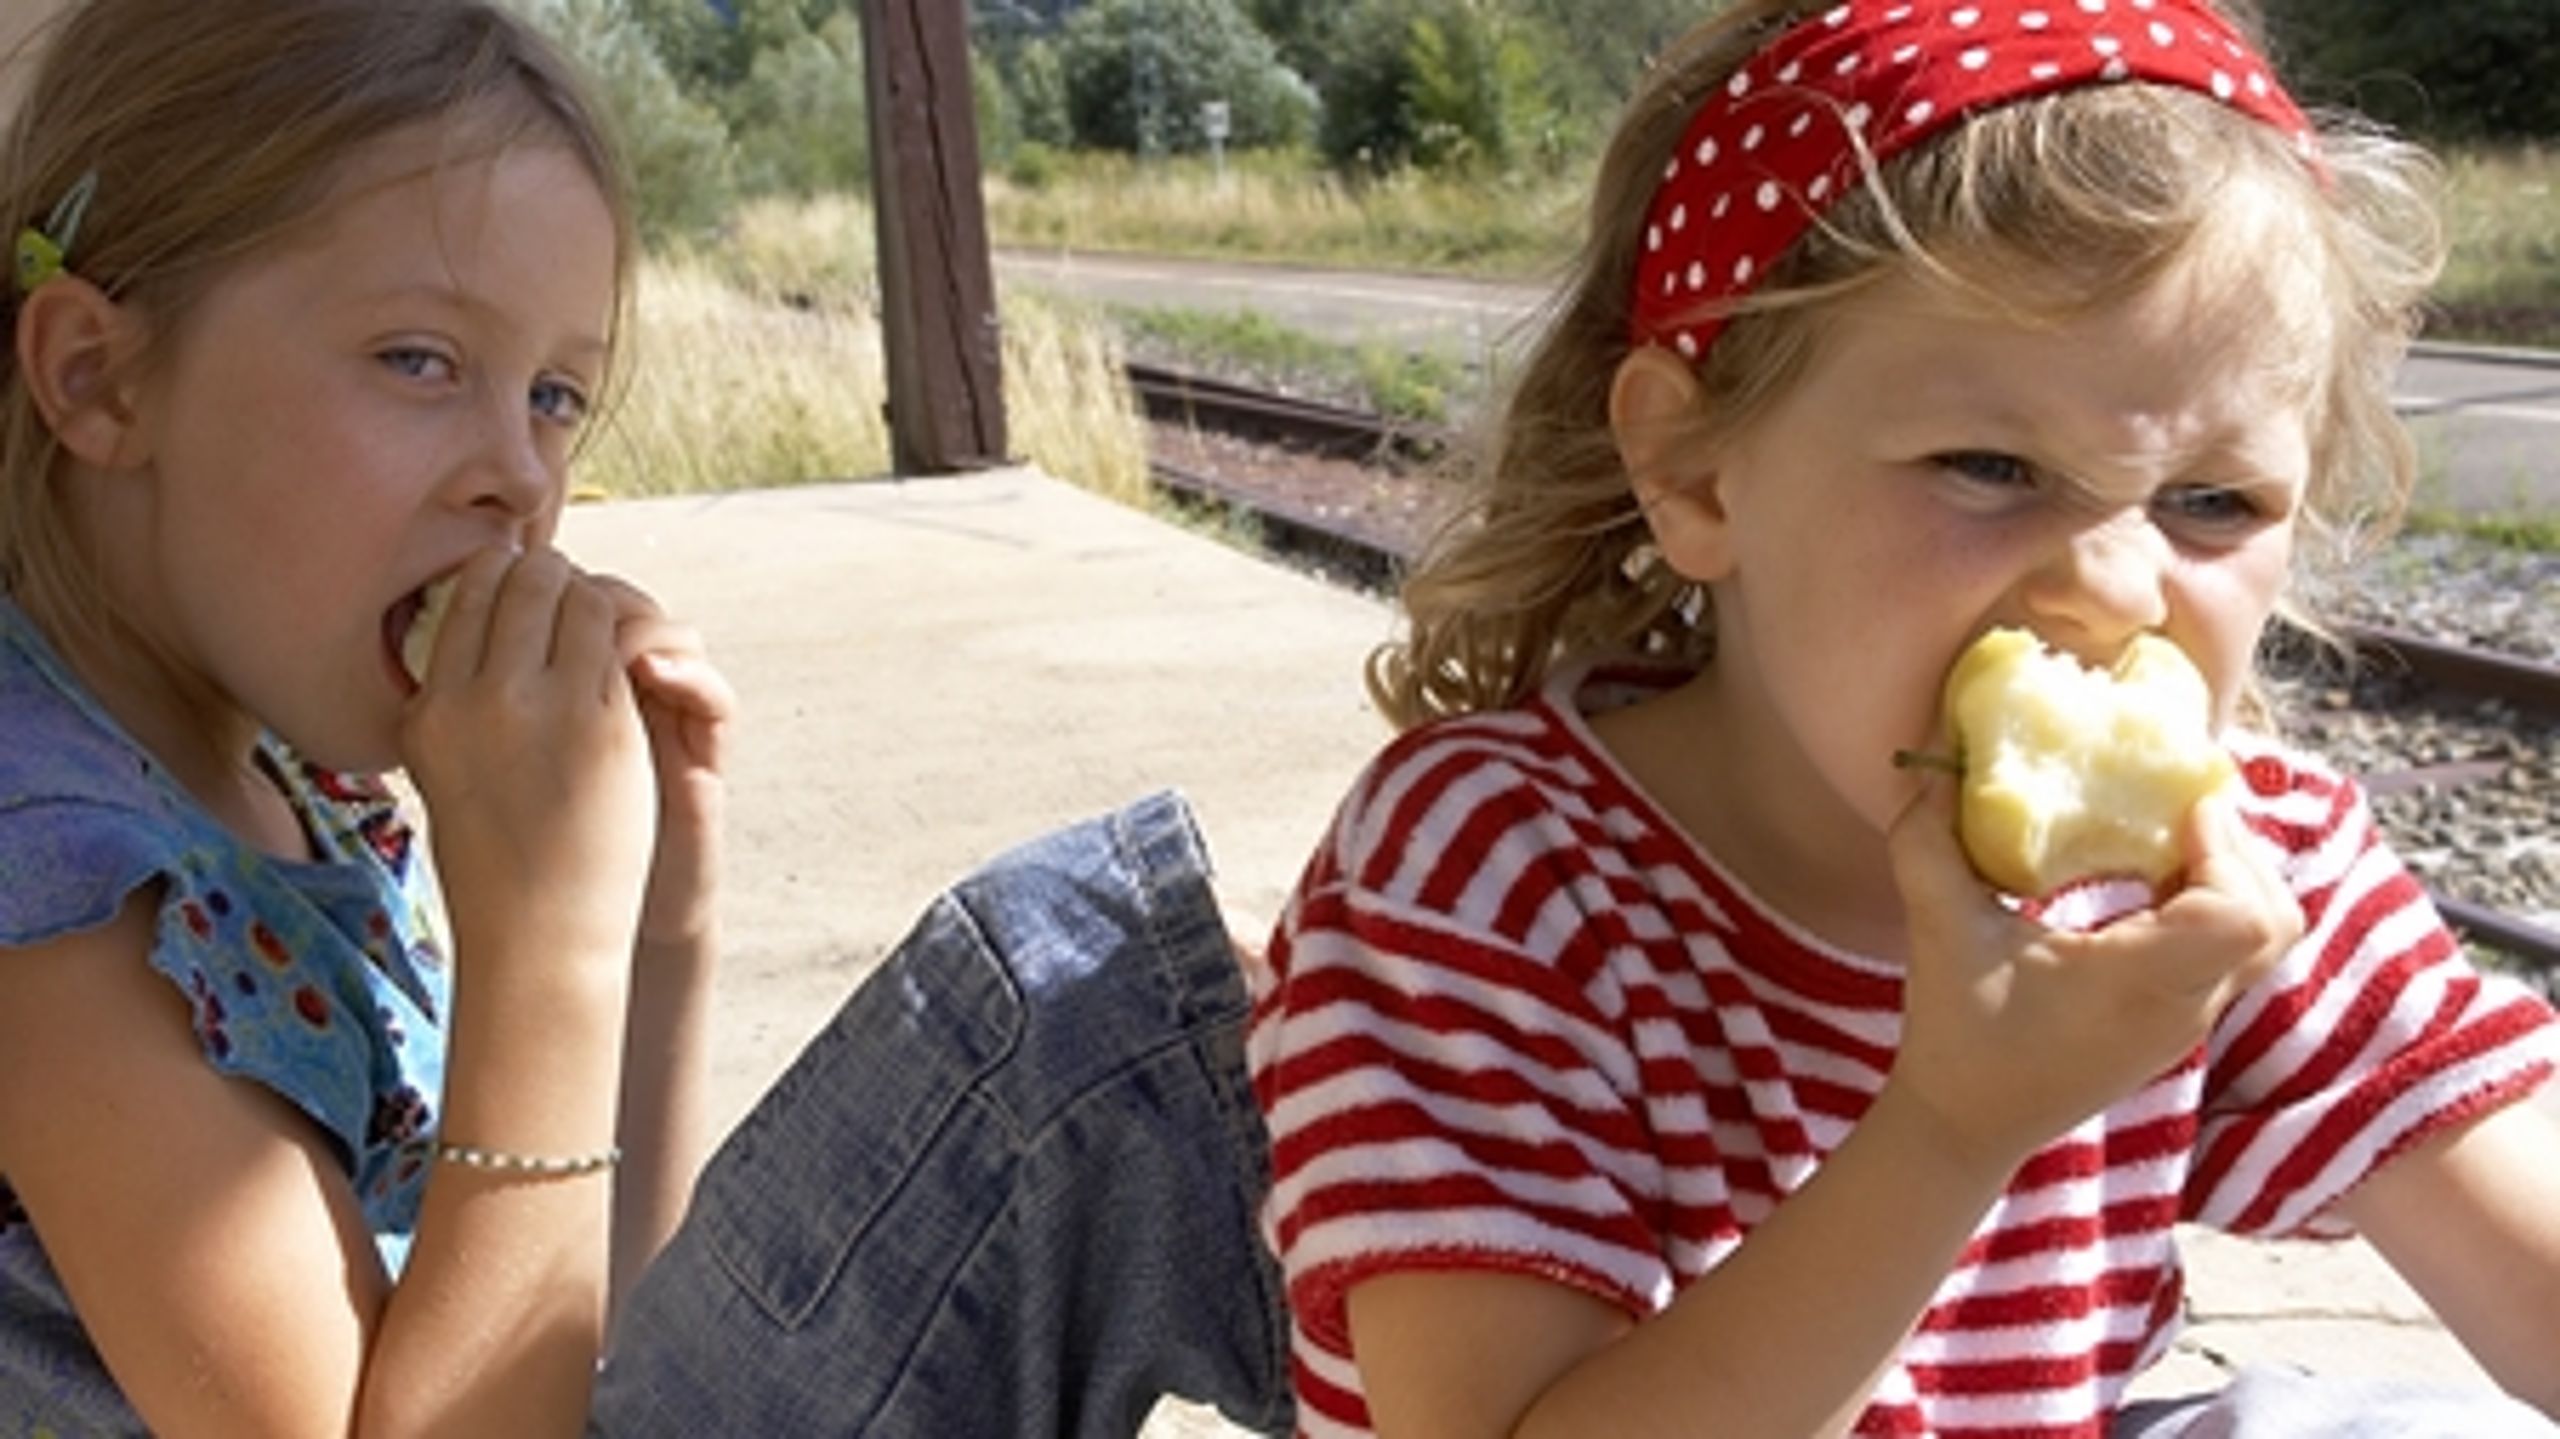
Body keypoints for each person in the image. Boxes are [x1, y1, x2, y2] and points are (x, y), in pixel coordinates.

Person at [1244, 1, 2560, 1435]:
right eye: (1990, 465)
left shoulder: (2246, 875)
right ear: (1691, 470)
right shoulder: (1497, 871)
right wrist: (1954, 1127)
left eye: (2213, 503)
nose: (2113, 588)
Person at [0, 2, 1289, 1434]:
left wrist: (655, 933)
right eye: (420, 360)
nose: (516, 475)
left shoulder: (293, 780)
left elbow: (590, 1343)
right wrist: (540, 943)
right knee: (1088, 1014)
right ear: (99, 377)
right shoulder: (54, 890)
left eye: (556, 395)